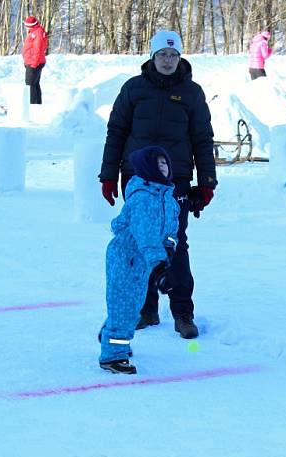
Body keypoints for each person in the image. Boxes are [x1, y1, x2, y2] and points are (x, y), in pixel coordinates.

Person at [99, 29, 217, 340]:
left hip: (174, 178)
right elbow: (116, 132)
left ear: (181, 58)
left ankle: (182, 312)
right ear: (152, 57)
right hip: (136, 176)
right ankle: (146, 309)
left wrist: (206, 182)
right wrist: (108, 174)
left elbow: (203, 139)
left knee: (175, 241)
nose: (168, 60)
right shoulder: (133, 89)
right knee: (141, 240)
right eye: (162, 55)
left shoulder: (192, 93)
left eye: (173, 55)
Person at [99, 146, 180, 374]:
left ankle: (111, 335)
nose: (163, 168)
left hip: (144, 259)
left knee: (132, 306)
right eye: (158, 165)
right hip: (127, 257)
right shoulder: (144, 199)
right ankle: (113, 355)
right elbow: (146, 237)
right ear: (147, 169)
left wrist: (169, 248)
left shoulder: (167, 198)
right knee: (124, 307)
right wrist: (159, 265)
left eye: (165, 164)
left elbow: (173, 230)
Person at [22, 15, 48, 104]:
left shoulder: (37, 33)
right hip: (34, 62)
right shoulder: (35, 31)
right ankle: (37, 104)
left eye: (27, 26)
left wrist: (33, 64)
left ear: (31, 25)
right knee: (35, 84)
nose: (26, 28)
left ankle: (32, 105)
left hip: (35, 63)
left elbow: (38, 50)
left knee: (30, 85)